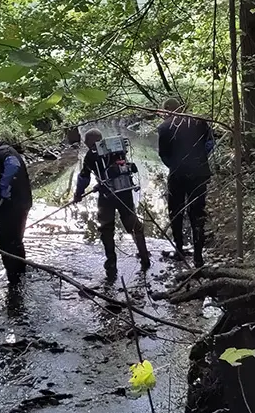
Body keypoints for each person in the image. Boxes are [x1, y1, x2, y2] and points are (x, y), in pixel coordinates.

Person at [74, 128, 150, 279]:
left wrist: (78, 194)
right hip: (125, 191)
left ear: (90, 142)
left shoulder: (91, 155)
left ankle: (111, 262)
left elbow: (84, 177)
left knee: (106, 228)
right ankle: (144, 257)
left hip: (106, 196)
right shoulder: (117, 148)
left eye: (86, 141)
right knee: (133, 224)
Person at [157, 98, 214, 267]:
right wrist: (200, 160)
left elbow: (163, 155)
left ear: (167, 110)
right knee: (197, 213)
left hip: (177, 174)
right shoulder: (200, 122)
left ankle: (180, 250)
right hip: (199, 173)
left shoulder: (164, 127)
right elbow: (210, 143)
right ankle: (198, 256)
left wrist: (175, 165)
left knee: (176, 211)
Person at [0, 133, 33, 286]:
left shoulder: (3, 153)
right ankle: (20, 273)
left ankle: (13, 277)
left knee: (5, 242)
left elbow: (13, 165)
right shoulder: (7, 150)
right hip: (19, 204)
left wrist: (4, 185)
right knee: (16, 240)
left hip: (12, 205)